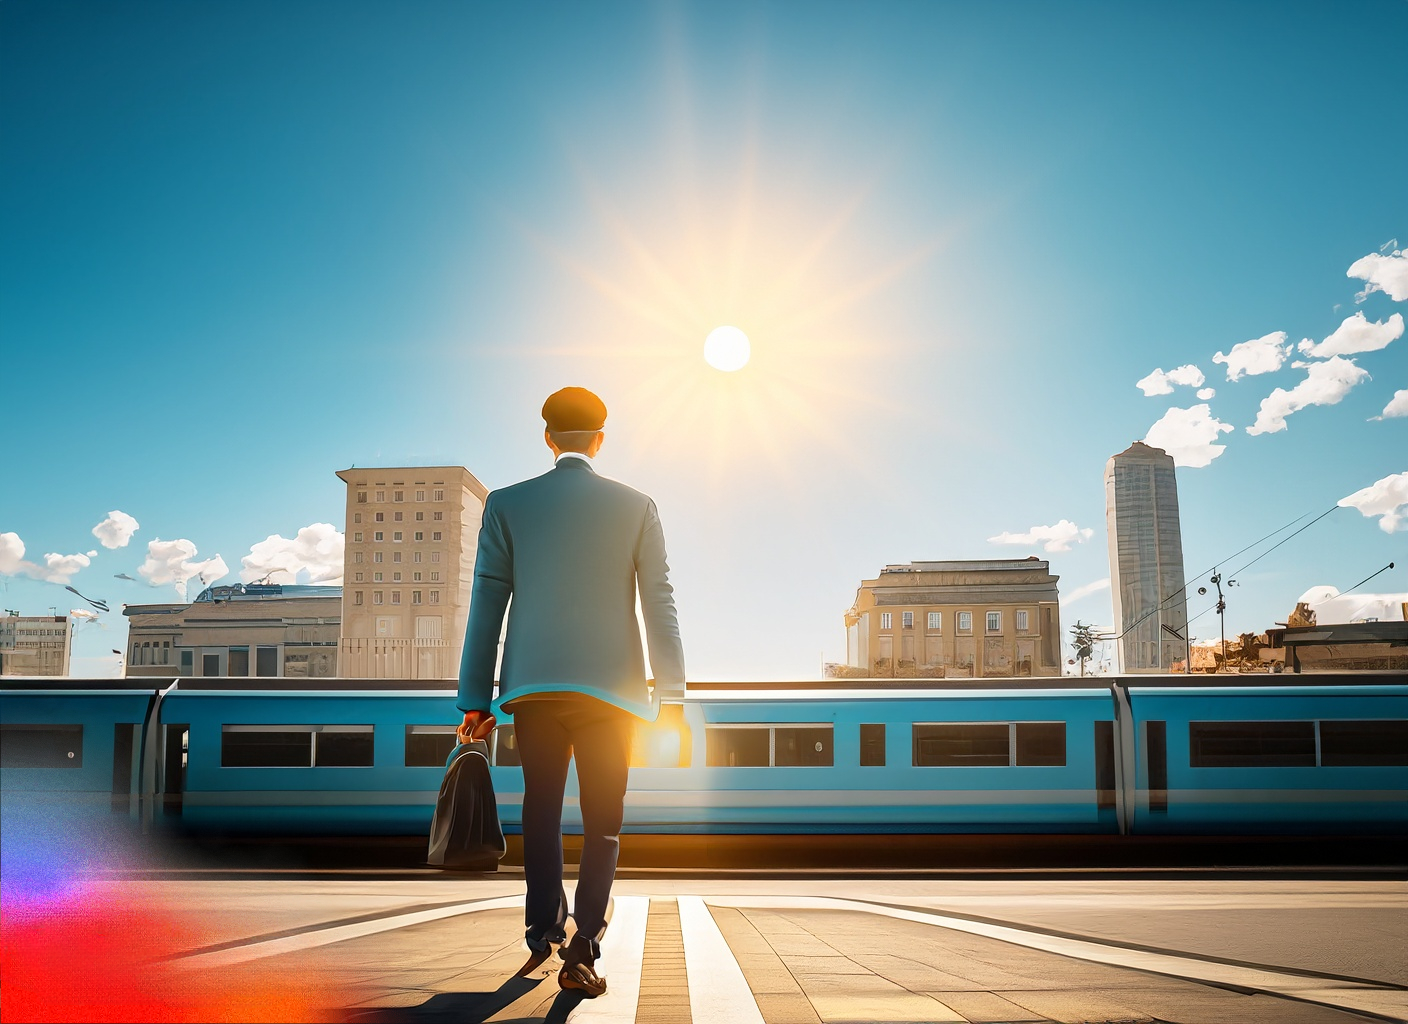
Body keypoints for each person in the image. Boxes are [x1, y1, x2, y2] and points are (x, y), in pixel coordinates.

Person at [456, 386, 686, 998]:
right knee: (604, 822)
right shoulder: (637, 506)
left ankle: (542, 930)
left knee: (541, 811)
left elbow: (487, 604)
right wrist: (675, 695)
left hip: (534, 690)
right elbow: (658, 601)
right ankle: (585, 944)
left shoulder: (506, 505)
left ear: (548, 436)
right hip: (613, 696)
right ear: (601, 438)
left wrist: (475, 698)